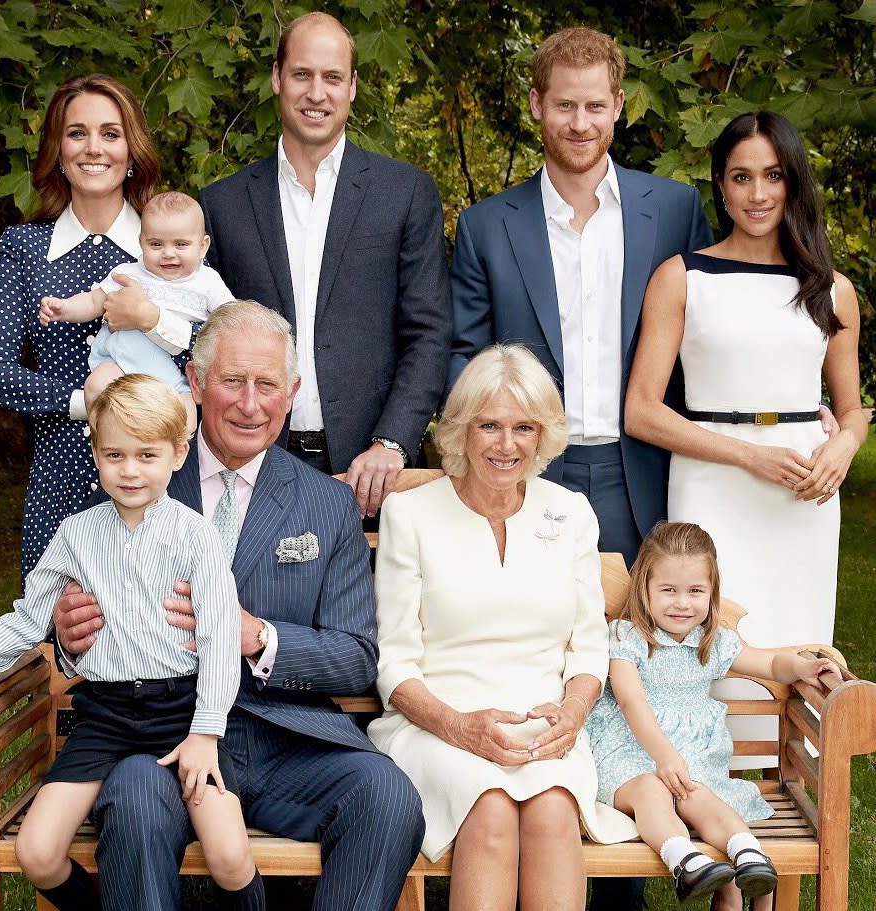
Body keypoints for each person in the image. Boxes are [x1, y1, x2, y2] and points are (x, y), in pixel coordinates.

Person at [54, 301, 424, 911]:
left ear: (292, 393)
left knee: (385, 797)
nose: (250, 404)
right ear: (196, 383)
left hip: (288, 738)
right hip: (159, 737)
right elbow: (76, 626)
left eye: (267, 385)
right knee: (137, 802)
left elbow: (358, 659)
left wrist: (257, 637)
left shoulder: (325, 505)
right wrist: (72, 641)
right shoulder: (133, 479)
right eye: (232, 382)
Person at [0, 374, 263, 910]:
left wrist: (205, 731)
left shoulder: (196, 536)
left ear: (177, 454)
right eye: (115, 454)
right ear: (96, 454)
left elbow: (219, 638)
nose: (129, 470)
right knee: (36, 852)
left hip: (182, 714)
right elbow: (27, 621)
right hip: (104, 717)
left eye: (146, 454)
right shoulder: (76, 534)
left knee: (229, 855)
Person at [368, 345, 638, 911]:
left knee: (552, 810)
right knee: (489, 805)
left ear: (543, 435)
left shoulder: (570, 512)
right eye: (489, 425)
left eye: (523, 427)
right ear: (462, 428)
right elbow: (393, 663)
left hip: (544, 729)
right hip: (437, 727)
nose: (506, 444)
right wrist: (459, 726)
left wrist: (571, 716)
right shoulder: (410, 514)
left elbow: (589, 650)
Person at [449, 26, 713, 571]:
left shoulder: (673, 211)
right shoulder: (486, 226)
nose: (579, 123)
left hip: (646, 469)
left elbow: (712, 334)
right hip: (528, 470)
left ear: (618, 105)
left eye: (595, 105)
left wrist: (792, 412)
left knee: (649, 643)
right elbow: (464, 354)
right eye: (564, 105)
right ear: (536, 104)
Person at [625, 110, 866, 653]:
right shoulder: (682, 277)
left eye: (774, 175)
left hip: (805, 493)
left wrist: (845, 447)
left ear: (794, 182)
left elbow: (851, 410)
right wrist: (751, 455)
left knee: (798, 639)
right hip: (711, 484)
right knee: (707, 642)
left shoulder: (832, 291)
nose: (758, 193)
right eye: (742, 176)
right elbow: (641, 410)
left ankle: (795, 740)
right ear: (720, 184)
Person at [199, 11, 451, 519]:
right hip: (251, 463)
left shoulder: (404, 194)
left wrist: (393, 443)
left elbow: (428, 331)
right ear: (277, 78)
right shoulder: (221, 206)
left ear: (353, 86)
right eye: (302, 75)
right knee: (250, 602)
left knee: (369, 602)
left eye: (332, 77)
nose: (317, 93)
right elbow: (203, 336)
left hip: (372, 471)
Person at [586, 522, 840, 910]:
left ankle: (749, 855)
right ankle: (684, 859)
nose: (682, 603)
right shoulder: (627, 637)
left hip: (692, 765)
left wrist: (804, 668)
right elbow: (631, 701)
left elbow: (770, 662)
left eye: (695, 592)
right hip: (631, 756)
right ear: (645, 589)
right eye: (668, 590)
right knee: (654, 790)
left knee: (699, 797)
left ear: (711, 592)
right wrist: (664, 755)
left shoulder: (712, 641)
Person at [0, 73, 161, 580]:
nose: (93, 148)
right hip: (60, 472)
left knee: (165, 636)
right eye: (77, 133)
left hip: (159, 477)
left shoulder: (168, 244)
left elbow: (208, 355)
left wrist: (154, 320)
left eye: (110, 133)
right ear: (57, 149)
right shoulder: (24, 249)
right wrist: (85, 403)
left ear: (131, 150)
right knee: (60, 637)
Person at [39, 191, 234, 435]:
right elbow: (93, 301)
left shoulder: (208, 282)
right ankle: (110, 443)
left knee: (188, 421)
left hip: (173, 377)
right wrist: (64, 308)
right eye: (156, 244)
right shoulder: (128, 273)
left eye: (181, 244)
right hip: (120, 365)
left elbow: (231, 319)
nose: (168, 253)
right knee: (96, 386)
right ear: (141, 242)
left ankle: (164, 464)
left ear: (203, 246)